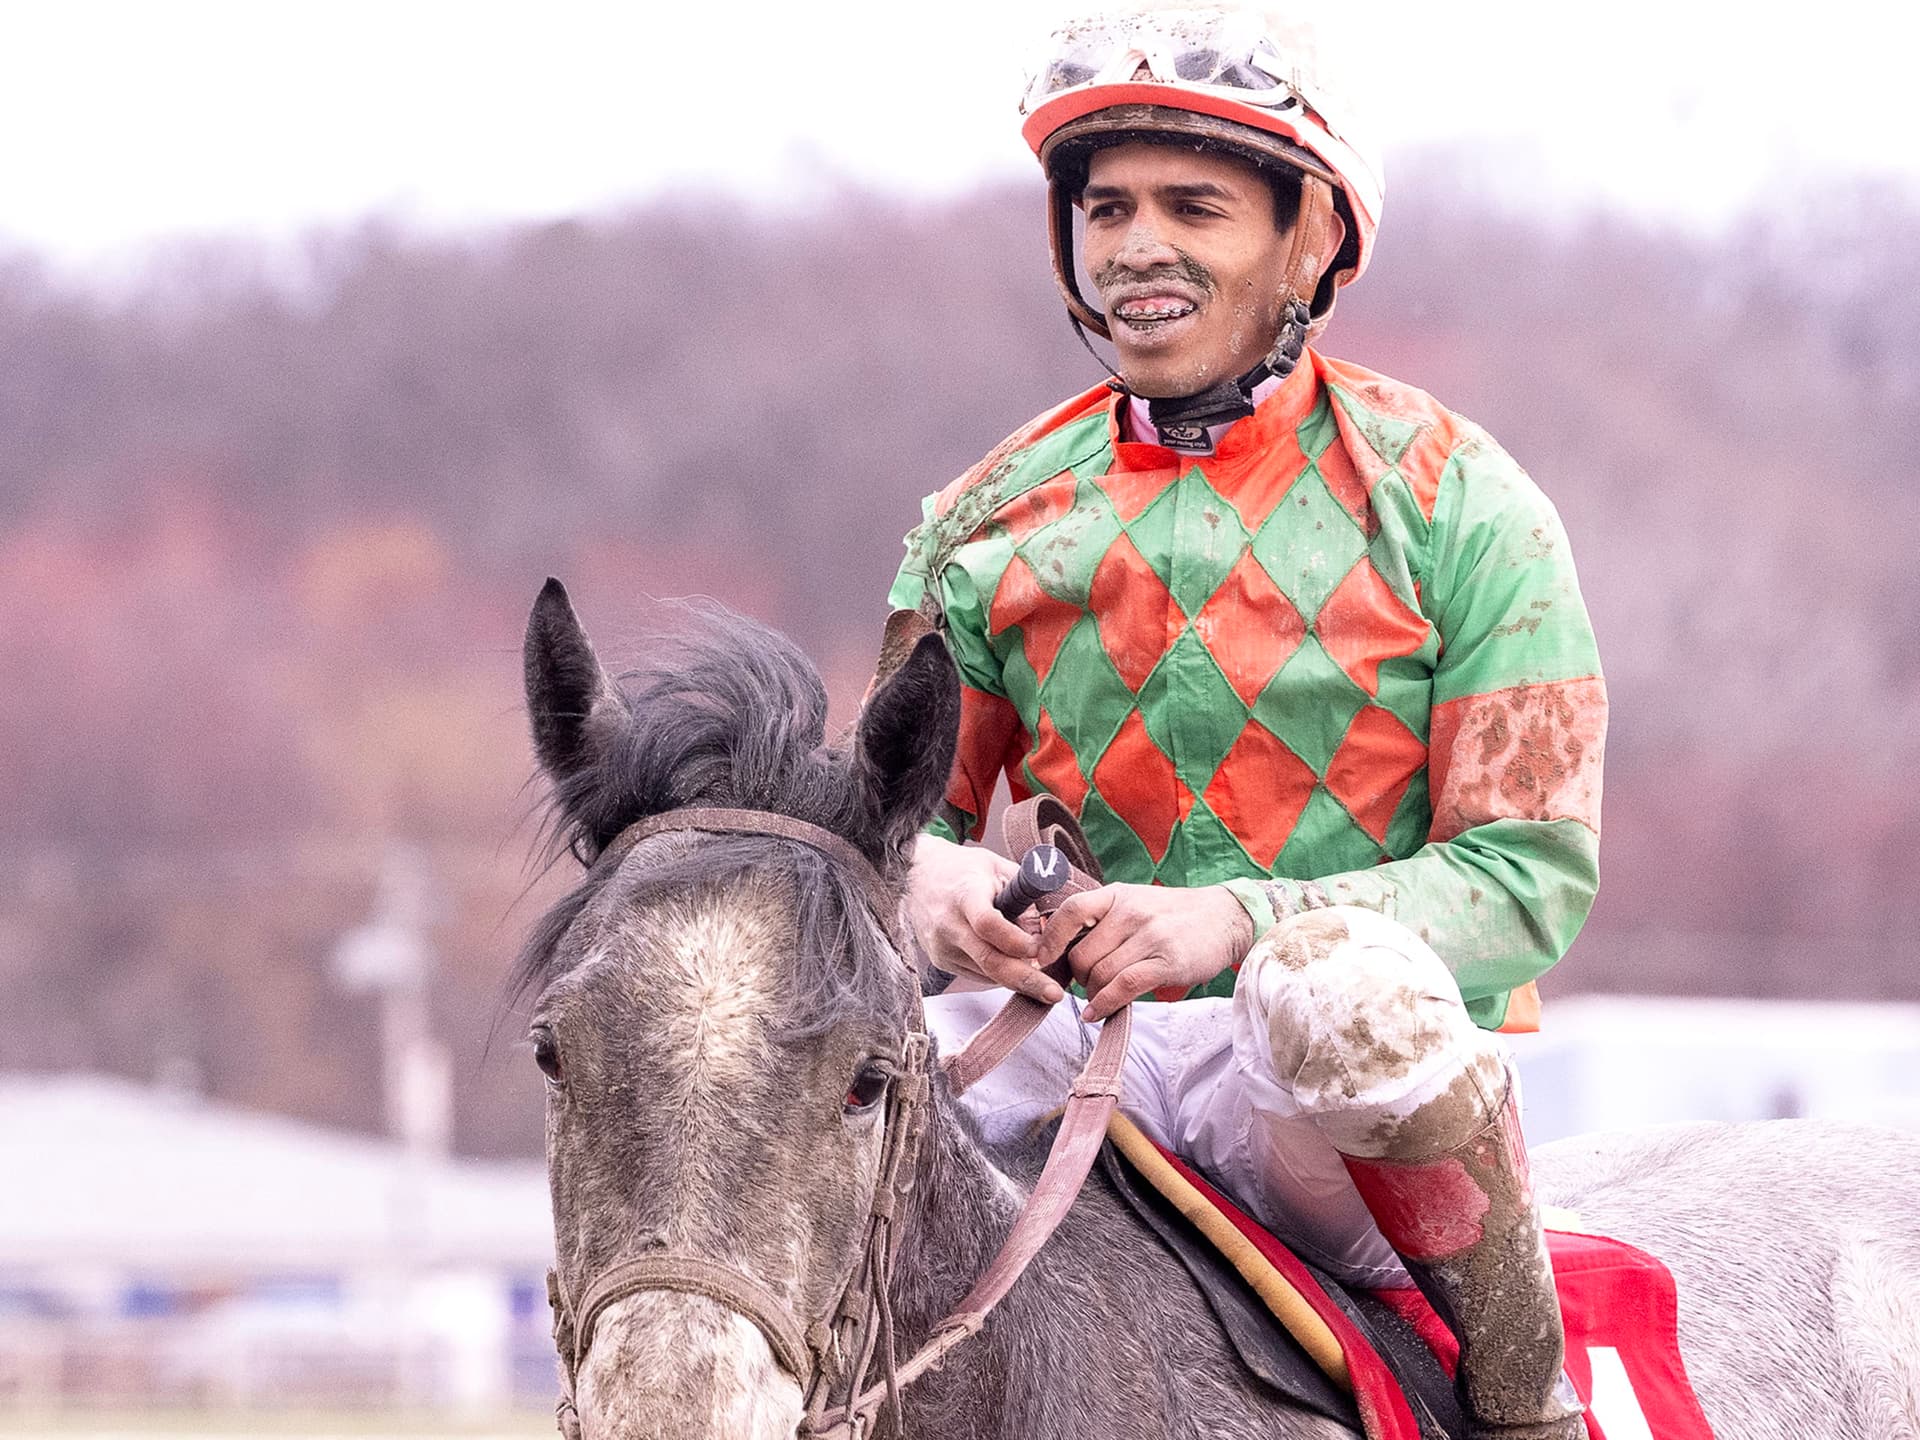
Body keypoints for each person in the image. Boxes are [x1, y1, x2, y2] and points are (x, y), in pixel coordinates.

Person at [885, 6, 1606, 1438]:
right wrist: (932, 883)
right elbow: (880, 834)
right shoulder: (978, 520)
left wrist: (1234, 929)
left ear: (1312, 236)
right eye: (1106, 209)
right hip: (1079, 1036)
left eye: (1194, 206)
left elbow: (1532, 883)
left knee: (1327, 989)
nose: (1137, 245)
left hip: (1344, 1093)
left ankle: (1533, 1404)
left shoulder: (1468, 503)